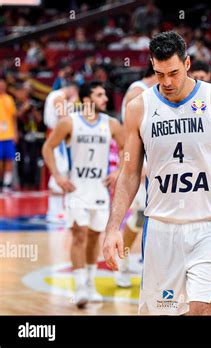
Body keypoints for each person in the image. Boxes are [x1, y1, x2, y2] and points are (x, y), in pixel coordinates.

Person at [102, 31, 211, 315]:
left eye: (173, 72)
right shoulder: (139, 108)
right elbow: (130, 171)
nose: (168, 82)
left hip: (208, 225)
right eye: (160, 74)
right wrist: (113, 227)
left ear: (186, 63)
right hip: (161, 228)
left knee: (202, 309)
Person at [42, 81, 124, 308]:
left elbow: (128, 148)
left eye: (105, 94)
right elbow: (47, 147)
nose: (105, 98)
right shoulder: (69, 122)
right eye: (99, 95)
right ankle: (79, 287)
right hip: (76, 188)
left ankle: (89, 282)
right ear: (87, 100)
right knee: (79, 234)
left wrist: (118, 171)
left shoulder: (112, 124)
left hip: (99, 189)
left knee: (94, 238)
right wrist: (58, 176)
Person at [115, 61, 158, 288]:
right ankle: (122, 264)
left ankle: (134, 260)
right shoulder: (138, 91)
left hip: (155, 163)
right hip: (139, 163)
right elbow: (129, 134)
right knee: (140, 216)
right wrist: (135, 163)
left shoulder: (154, 92)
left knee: (152, 217)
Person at [43, 82, 79, 223]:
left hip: (56, 136)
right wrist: (73, 102)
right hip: (58, 137)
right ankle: (55, 212)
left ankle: (55, 211)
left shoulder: (54, 95)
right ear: (72, 89)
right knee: (59, 172)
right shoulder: (59, 97)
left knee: (60, 171)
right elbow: (63, 117)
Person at [0, 77, 17, 192]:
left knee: (9, 159)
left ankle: (7, 183)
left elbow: (13, 117)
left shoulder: (9, 99)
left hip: (9, 135)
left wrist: (15, 133)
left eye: (3, 85)